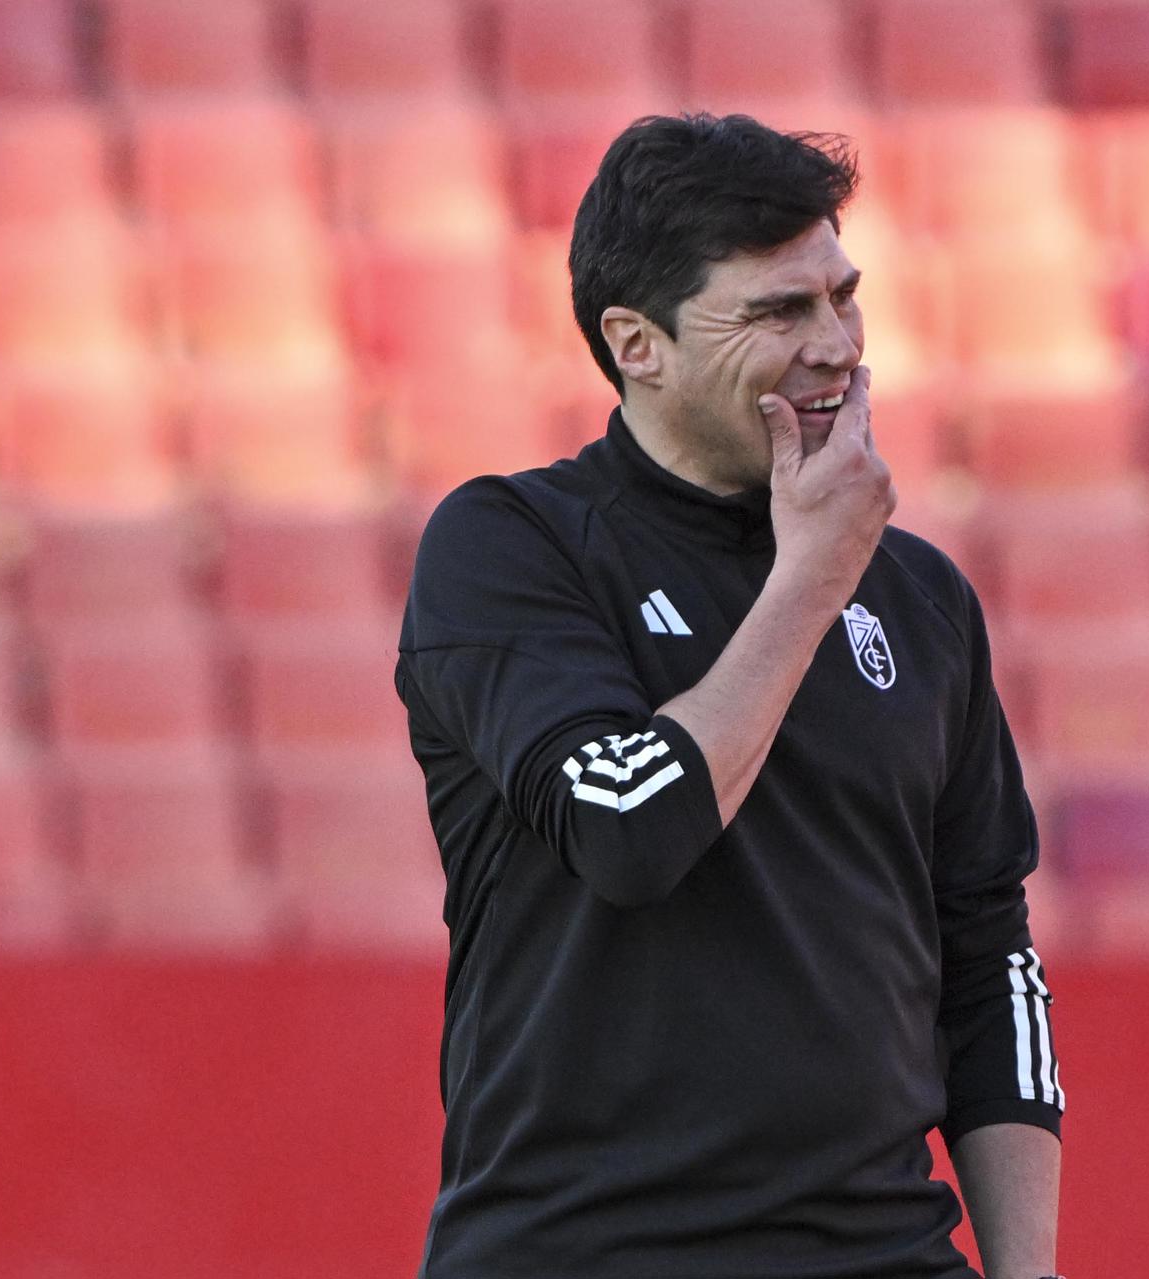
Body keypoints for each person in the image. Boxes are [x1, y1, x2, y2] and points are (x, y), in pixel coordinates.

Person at [394, 112, 1065, 1279]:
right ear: (636, 342)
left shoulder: (920, 598)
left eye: (843, 297)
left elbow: (987, 950)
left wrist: (1029, 1271)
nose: (839, 345)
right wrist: (808, 580)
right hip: (586, 1252)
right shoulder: (511, 548)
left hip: (884, 1252)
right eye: (778, 311)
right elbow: (630, 831)